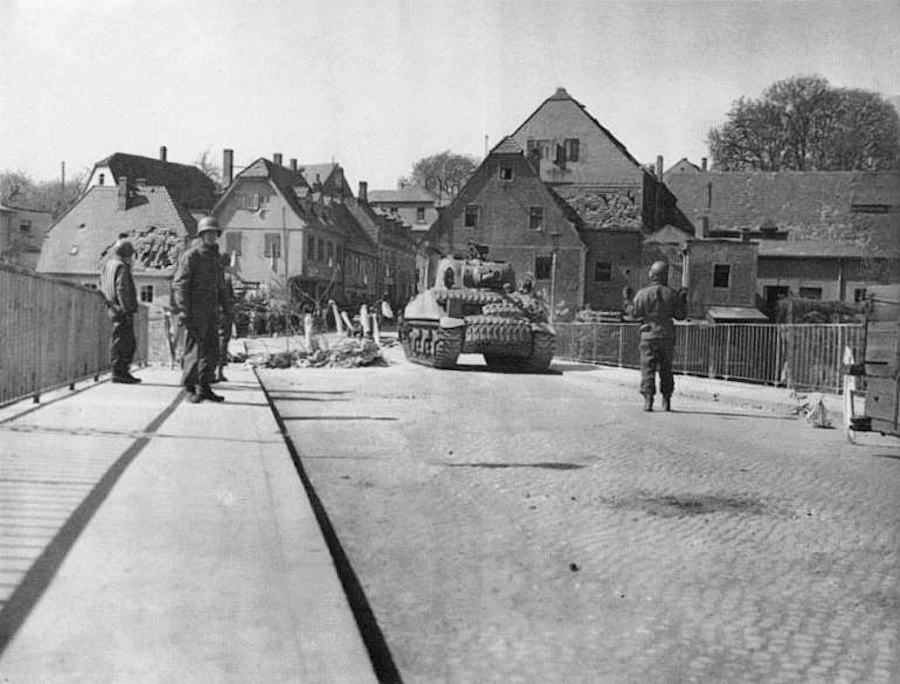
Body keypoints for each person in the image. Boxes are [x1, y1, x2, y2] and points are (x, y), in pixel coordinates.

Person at [172, 216, 229, 403]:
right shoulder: (191, 256)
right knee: (195, 350)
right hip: (195, 310)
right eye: (208, 233)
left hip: (211, 310)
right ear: (202, 234)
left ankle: (204, 386)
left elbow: (221, 285)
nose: (212, 237)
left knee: (211, 350)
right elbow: (180, 284)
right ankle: (190, 387)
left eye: (215, 233)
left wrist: (227, 307)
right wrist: (183, 310)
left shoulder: (215, 258)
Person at [631, 260, 687, 412]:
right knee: (666, 368)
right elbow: (680, 316)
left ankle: (648, 400)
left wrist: (628, 301)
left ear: (651, 275)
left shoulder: (642, 294)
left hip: (648, 335)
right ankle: (666, 400)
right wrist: (683, 301)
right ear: (665, 275)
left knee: (647, 368)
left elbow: (634, 314)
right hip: (667, 335)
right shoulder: (672, 294)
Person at [99, 239, 142, 384]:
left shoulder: (108, 265)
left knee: (119, 340)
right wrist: (127, 309)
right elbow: (122, 288)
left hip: (112, 308)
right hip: (122, 310)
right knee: (126, 342)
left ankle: (119, 371)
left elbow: (101, 286)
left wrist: (109, 303)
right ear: (127, 255)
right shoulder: (122, 267)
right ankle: (120, 372)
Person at [215, 254, 235, 383]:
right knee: (223, 340)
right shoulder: (226, 278)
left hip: (210, 313)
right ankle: (219, 371)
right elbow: (230, 298)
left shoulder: (209, 276)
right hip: (223, 313)